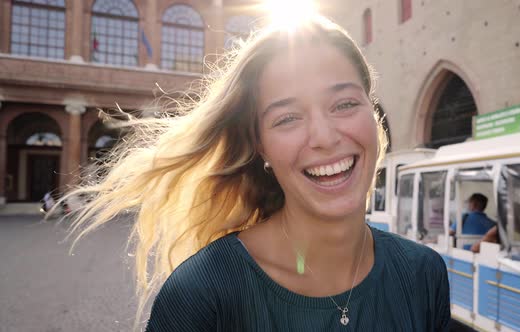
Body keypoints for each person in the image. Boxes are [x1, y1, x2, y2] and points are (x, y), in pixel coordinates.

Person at [63, 16, 450, 331]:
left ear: (373, 114)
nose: (324, 137)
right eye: (287, 117)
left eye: (345, 103)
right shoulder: (201, 293)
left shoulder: (422, 273)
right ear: (261, 146)